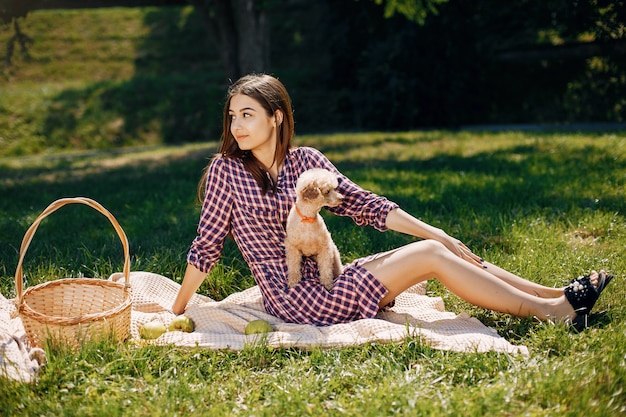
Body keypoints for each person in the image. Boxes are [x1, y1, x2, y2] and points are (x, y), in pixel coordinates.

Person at [172, 73, 613, 331]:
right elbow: (206, 246)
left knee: (437, 246)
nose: (236, 126)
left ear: (276, 116)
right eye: (232, 116)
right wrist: (177, 309)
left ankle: (556, 294)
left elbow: (364, 204)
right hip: (295, 299)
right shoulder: (225, 172)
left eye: (247, 114)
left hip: (333, 277)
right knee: (430, 255)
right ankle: (551, 313)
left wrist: (435, 229)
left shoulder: (307, 161)